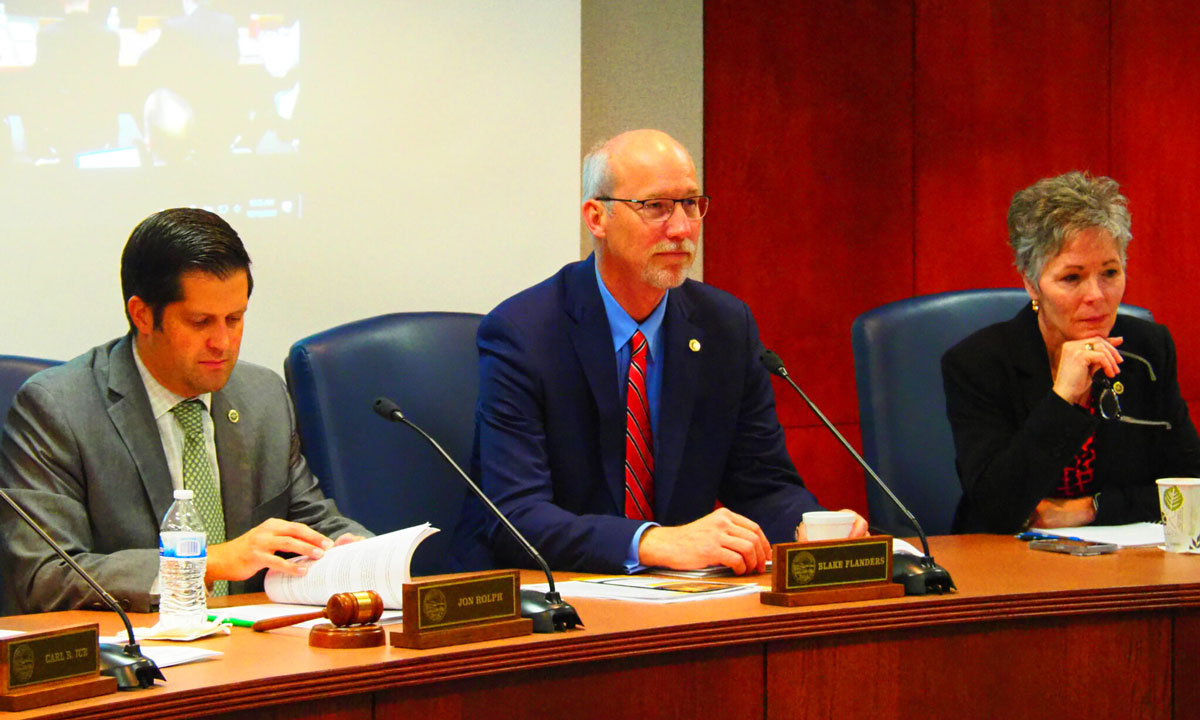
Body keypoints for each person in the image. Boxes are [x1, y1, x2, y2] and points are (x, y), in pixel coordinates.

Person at [454, 129, 866, 575]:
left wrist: (810, 529)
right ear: (597, 218)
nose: (682, 228)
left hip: (680, 595)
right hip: (554, 595)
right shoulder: (524, 333)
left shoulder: (725, 326)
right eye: (656, 207)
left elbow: (762, 485)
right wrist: (649, 541)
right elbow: (515, 516)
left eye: (691, 204)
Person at [0, 209, 370, 613]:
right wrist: (208, 562)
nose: (223, 342)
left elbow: (312, 523)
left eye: (235, 318)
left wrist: (358, 553)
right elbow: (44, 576)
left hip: (255, 652)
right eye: (200, 322)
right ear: (142, 314)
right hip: (142, 657)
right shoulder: (59, 409)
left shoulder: (263, 397)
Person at [943, 171, 1200, 533]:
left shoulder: (1148, 351)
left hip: (1127, 564)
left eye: (1110, 272)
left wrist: (1090, 509)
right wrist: (1062, 399)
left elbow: (1190, 488)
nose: (1096, 295)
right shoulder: (978, 363)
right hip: (1009, 565)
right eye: (1072, 278)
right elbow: (996, 507)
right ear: (1032, 284)